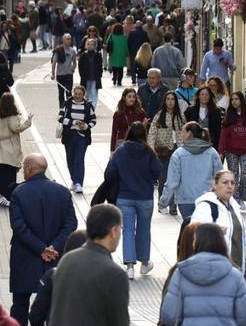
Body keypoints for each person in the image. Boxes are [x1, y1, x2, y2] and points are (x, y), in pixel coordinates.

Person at [8, 154, 76, 326]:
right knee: (54, 302)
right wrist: (54, 246)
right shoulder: (62, 192)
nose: (23, 171)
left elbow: (19, 227)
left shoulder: (18, 193)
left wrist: (41, 248)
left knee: (20, 303)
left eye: (24, 168)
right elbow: (71, 224)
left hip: (25, 255)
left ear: (30, 169)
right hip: (55, 257)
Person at [105, 122, 162, 280]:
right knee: (144, 229)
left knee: (128, 230)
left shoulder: (120, 151)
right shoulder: (149, 152)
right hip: (145, 197)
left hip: (124, 196)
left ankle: (129, 266)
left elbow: (109, 174)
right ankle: (144, 262)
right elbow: (157, 172)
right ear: (144, 134)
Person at [0, 94, 33, 207]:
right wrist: (27, 122)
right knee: (10, 174)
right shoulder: (12, 116)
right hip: (9, 150)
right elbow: (16, 128)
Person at [191, 170, 246, 271]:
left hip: (237, 269)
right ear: (214, 185)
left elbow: (237, 239)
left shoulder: (234, 207)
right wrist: (215, 232)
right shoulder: (205, 207)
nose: (229, 186)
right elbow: (195, 236)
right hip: (215, 270)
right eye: (225, 182)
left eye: (232, 183)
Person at [218, 91, 246, 211]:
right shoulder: (229, 114)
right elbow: (223, 135)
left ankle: (241, 195)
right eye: (232, 99)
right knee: (233, 175)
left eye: (237, 99)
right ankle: (235, 199)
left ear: (241, 100)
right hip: (231, 151)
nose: (234, 101)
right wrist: (221, 151)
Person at [147, 91, 185, 211]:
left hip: (177, 149)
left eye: (172, 99)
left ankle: (173, 205)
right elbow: (152, 132)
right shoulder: (159, 116)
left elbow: (185, 133)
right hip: (163, 150)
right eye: (167, 99)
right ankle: (162, 202)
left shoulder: (180, 116)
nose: (170, 101)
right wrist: (151, 148)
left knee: (176, 179)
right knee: (163, 178)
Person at [59, 84, 96, 193]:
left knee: (79, 159)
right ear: (73, 93)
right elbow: (60, 117)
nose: (77, 96)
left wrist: (86, 126)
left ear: (83, 95)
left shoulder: (88, 106)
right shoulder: (67, 103)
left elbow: (93, 120)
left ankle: (79, 182)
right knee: (70, 159)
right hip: (69, 135)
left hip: (82, 137)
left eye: (80, 94)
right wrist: (73, 122)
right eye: (76, 93)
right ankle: (74, 180)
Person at [76, 37, 104, 106]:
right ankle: (87, 107)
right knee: (86, 93)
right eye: (88, 44)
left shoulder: (98, 55)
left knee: (94, 93)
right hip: (86, 78)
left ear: (94, 46)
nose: (90, 46)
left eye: (92, 44)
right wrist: (82, 75)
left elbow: (100, 66)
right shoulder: (83, 55)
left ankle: (92, 107)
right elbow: (80, 66)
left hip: (95, 77)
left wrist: (99, 75)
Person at [51, 33, 77, 105]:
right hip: (60, 75)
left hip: (68, 75)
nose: (69, 41)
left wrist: (72, 69)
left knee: (69, 92)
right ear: (63, 40)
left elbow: (74, 62)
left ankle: (69, 109)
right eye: (68, 39)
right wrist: (53, 73)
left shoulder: (72, 51)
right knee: (61, 93)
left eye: (70, 39)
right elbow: (54, 63)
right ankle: (62, 109)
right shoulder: (58, 50)